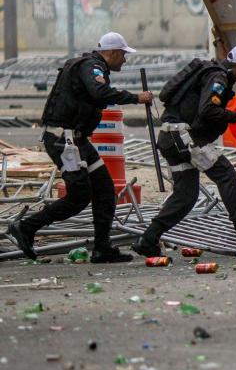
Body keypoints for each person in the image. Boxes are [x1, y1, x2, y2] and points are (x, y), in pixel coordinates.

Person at [6, 33, 152, 262]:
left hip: (77, 141)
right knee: (79, 196)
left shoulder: (93, 66)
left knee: (104, 189)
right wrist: (136, 97)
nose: (125, 60)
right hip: (64, 141)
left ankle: (102, 248)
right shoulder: (92, 67)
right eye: (123, 55)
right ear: (112, 53)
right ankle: (25, 227)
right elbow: (99, 92)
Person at [132, 45, 236, 257]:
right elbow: (208, 110)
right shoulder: (218, 79)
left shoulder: (216, 70)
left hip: (170, 137)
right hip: (184, 137)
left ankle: (148, 239)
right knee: (226, 175)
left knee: (185, 196)